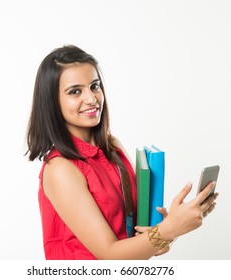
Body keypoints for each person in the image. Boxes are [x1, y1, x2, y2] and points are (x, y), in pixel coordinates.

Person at [26, 45, 218, 260]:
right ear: (52, 102)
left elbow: (133, 237)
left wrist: (169, 228)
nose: (91, 99)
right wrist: (170, 230)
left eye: (95, 86)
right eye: (75, 91)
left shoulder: (113, 147)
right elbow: (110, 255)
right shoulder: (61, 169)